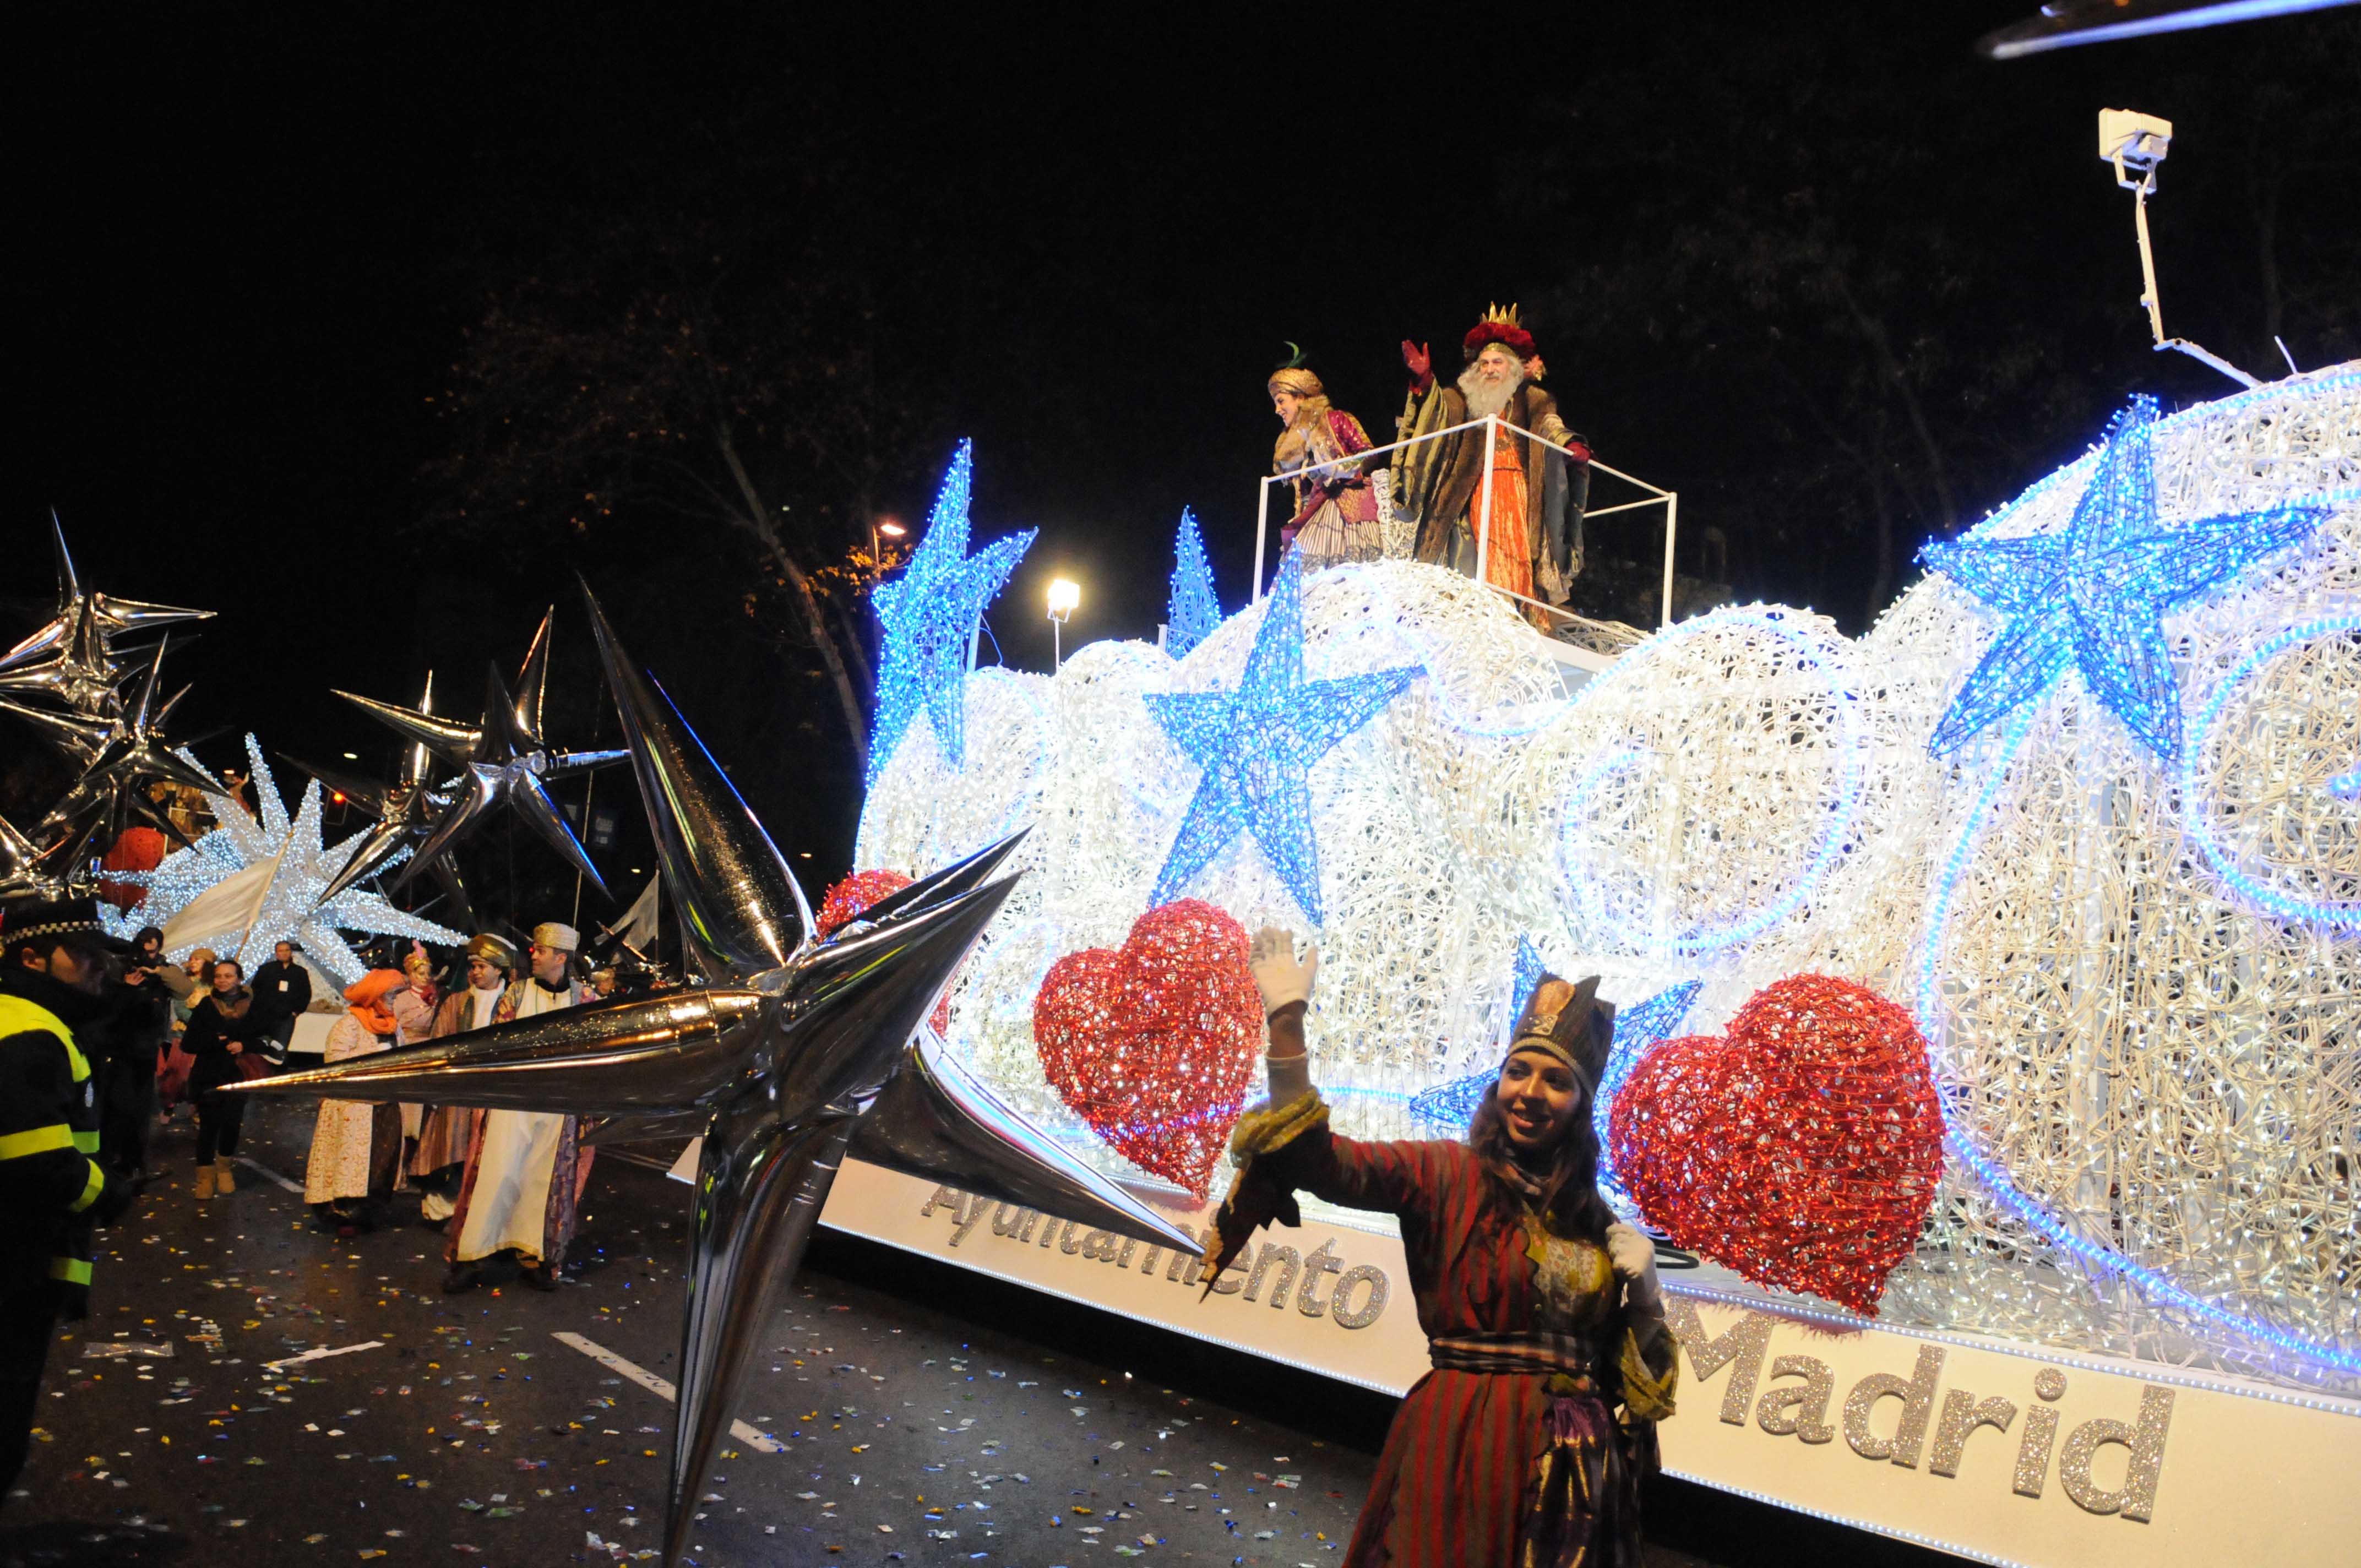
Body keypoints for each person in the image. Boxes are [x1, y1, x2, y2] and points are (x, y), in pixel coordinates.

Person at [1205, 929, 1675, 1567]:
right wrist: (1286, 1022)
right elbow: (1320, 1162)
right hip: (1467, 1443)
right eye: (1517, 1071)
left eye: (1556, 1080)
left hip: (1577, 1481)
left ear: (1580, 1104)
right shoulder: (1444, 1173)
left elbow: (1640, 1394)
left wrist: (1646, 1300)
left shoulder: (1595, 1221)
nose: (1530, 1092)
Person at [1, 895, 137, 1501]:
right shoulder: (28, 1027)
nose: (98, 966)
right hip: (11, 1259)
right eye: (82, 954)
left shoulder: (37, 1018)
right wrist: (108, 1191)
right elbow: (34, 1159)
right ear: (31, 957)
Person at [1392, 304, 1592, 628]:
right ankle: (1484, 614)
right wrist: (1425, 380)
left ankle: (1520, 616)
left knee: (1518, 552)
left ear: (1512, 367)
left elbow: (1549, 425)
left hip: (1518, 490)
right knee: (1478, 551)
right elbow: (1439, 411)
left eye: (1497, 362)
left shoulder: (1532, 400)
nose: (1489, 369)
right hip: (1476, 488)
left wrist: (1569, 443)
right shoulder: (1463, 399)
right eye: (1483, 363)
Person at [442, 923, 596, 1293]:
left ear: (561, 957)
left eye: (541, 951)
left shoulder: (586, 999)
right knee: (496, 1175)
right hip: (514, 1104)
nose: (534, 956)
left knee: (540, 1182)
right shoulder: (517, 992)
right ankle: (471, 1257)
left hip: (557, 1108)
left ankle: (536, 1258)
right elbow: (499, 1041)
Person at [411, 934, 517, 1228]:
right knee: (448, 1151)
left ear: (498, 969)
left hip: (495, 1094)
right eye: (473, 967)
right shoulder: (456, 1003)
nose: (475, 972)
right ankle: (445, 1213)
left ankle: (481, 1217)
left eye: (482, 966)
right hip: (457, 1092)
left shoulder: (513, 1003)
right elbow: (439, 1043)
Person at [304, 970, 411, 1237]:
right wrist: (375, 1054)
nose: (393, 1001)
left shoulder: (393, 1026)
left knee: (381, 1161)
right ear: (376, 997)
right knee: (350, 1163)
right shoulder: (350, 1024)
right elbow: (335, 1061)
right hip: (353, 1106)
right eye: (390, 996)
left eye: (396, 996)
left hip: (385, 1104)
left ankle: (368, 1212)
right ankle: (343, 1214)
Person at [1269, 362, 1384, 573]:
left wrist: (1340, 469)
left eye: (1281, 401)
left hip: (1350, 502)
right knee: (1304, 568)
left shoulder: (1335, 419)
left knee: (1355, 568)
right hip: (1318, 508)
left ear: (1300, 397)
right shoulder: (1298, 443)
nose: (1277, 410)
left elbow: (1368, 453)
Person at [178, 957, 266, 1200]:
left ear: (239, 979)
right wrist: (213, 1041)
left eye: (228, 976)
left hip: (238, 1074)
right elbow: (188, 1043)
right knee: (208, 1126)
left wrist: (244, 1045)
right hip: (209, 1074)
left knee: (231, 1123)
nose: (222, 980)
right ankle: (205, 1177)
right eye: (218, 976)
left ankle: (225, 1168)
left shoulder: (252, 1007)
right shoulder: (206, 1005)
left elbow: (264, 1040)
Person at [248, 939, 313, 1069]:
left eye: (287, 950)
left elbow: (305, 993)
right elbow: (255, 990)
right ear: (276, 953)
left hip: (286, 1016)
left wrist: (296, 1011)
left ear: (291, 952)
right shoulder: (266, 969)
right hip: (265, 1014)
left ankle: (279, 1071)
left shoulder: (300, 972)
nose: (284, 953)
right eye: (281, 951)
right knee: (263, 1045)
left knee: (281, 1047)